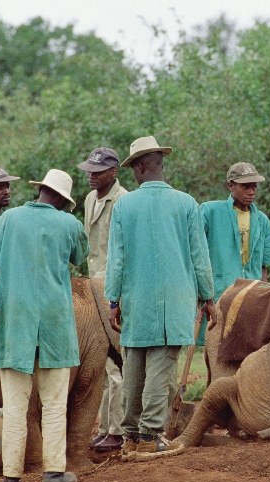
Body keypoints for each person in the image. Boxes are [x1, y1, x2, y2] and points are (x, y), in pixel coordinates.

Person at [0, 169, 89, 482]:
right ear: (61, 199)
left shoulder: (9, 219)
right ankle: (53, 475)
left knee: (15, 406)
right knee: (54, 403)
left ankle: (11, 480)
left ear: (41, 190)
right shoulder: (69, 224)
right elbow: (80, 257)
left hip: (16, 325)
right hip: (56, 326)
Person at [105, 136, 215, 459]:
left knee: (134, 366)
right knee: (161, 369)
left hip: (136, 300)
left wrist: (113, 301)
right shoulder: (186, 204)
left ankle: (130, 435)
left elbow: (117, 259)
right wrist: (208, 297)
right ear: (159, 165)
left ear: (139, 167)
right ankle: (149, 435)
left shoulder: (124, 206)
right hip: (174, 301)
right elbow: (199, 257)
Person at [78, 147, 128, 453]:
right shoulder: (89, 200)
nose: (91, 175)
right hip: (94, 287)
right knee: (103, 361)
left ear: (114, 172)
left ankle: (118, 430)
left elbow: (122, 252)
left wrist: (118, 295)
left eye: (97, 171)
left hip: (114, 289)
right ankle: (108, 427)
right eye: (89, 170)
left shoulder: (123, 201)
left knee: (118, 363)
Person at [197, 162, 270, 344]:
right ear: (231, 185)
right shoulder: (209, 212)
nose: (251, 192)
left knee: (246, 348)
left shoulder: (262, 221)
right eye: (245, 187)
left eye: (254, 187)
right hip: (219, 293)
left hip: (251, 296)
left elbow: (263, 266)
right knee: (216, 347)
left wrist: (264, 296)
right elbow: (195, 250)